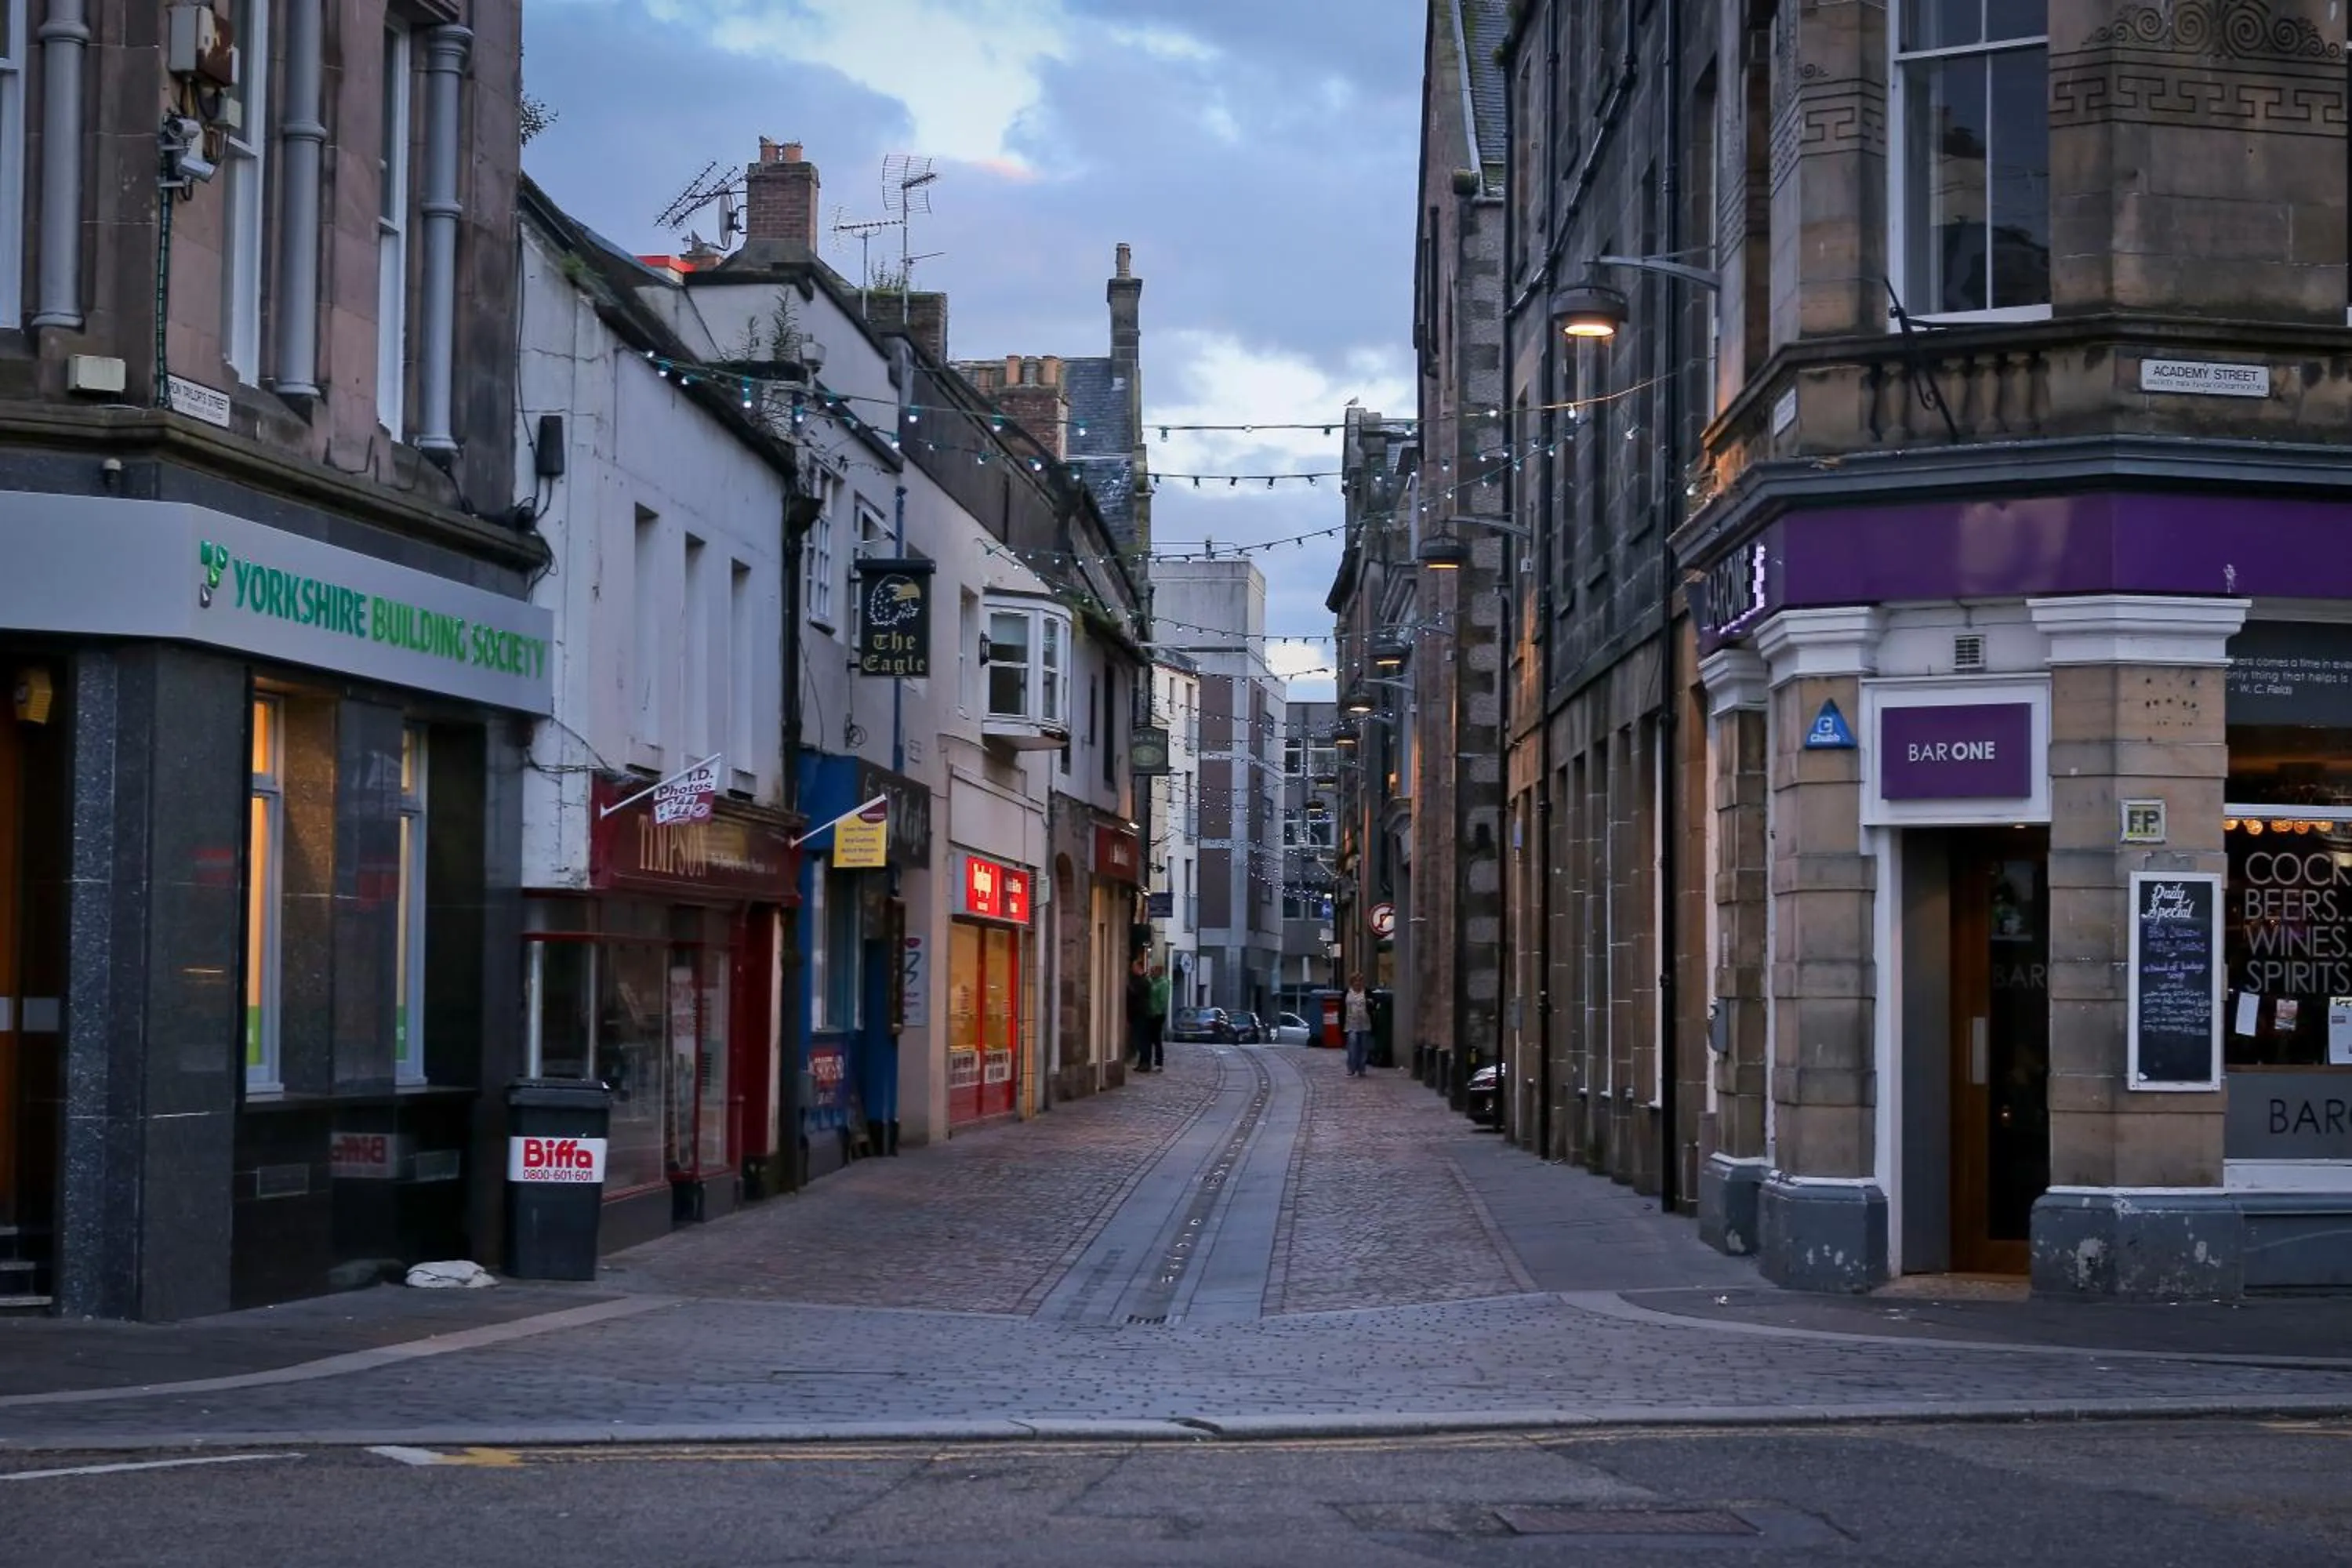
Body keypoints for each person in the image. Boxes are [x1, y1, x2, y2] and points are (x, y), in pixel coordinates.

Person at [1126, 954, 1156, 1073]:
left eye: (1134, 967)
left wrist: (1128, 989)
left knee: (1142, 1039)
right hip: (1139, 1013)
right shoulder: (1141, 981)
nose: (1132, 969)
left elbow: (1136, 995)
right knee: (1142, 1039)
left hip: (1141, 1013)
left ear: (1139, 968)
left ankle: (1145, 1063)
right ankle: (1143, 1062)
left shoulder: (1143, 981)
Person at [1343, 973, 1373, 1077]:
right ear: (1352, 982)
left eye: (1360, 981)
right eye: (1356, 981)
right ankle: (1351, 1068)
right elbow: (1342, 1008)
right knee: (1352, 1045)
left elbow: (1373, 1005)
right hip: (1351, 1024)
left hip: (1365, 1023)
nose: (1358, 983)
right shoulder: (1347, 993)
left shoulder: (1367, 992)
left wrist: (1371, 1003)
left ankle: (1362, 1068)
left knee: (1364, 1047)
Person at [1145, 963, 1171, 1072]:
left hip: (1158, 1015)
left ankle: (1159, 1062)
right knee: (1149, 1039)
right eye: (1151, 971)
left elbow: (1163, 1000)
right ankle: (1147, 1061)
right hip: (1150, 1013)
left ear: (1159, 972)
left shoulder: (1163, 983)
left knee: (1156, 1039)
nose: (1151, 973)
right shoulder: (1151, 982)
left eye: (1153, 971)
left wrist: (1157, 1011)